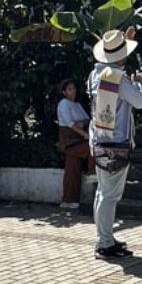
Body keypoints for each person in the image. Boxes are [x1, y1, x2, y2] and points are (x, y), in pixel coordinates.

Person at [88, 28, 142, 259]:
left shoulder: (96, 74)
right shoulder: (118, 78)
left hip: (99, 140)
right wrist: (138, 84)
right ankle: (104, 242)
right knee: (109, 195)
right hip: (116, 143)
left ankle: (105, 238)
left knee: (103, 193)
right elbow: (140, 102)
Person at [56, 78, 92, 211]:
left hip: (78, 136)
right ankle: (92, 172)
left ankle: (69, 199)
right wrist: (83, 133)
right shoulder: (63, 104)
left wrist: (81, 125)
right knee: (91, 147)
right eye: (69, 89)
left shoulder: (77, 105)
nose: (73, 91)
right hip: (70, 140)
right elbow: (70, 124)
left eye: (74, 88)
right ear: (64, 92)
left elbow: (87, 120)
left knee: (73, 166)